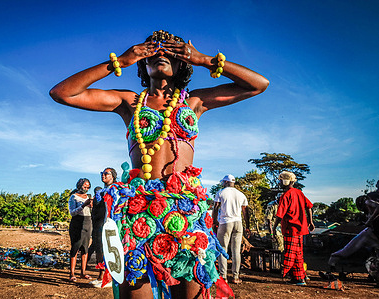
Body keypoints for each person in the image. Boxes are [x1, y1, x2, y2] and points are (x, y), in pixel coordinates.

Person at [50, 30, 268, 298]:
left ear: (181, 63)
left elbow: (258, 84)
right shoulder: (129, 101)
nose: (161, 55)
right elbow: (62, 93)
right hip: (138, 209)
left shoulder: (194, 101)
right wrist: (120, 60)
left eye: (170, 52)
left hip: (186, 209)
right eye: (154, 51)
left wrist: (205, 60)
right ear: (144, 62)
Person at [325, 180, 379, 274]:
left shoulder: (367, 201)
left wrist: (368, 222)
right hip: (374, 231)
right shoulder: (373, 200)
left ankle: (333, 261)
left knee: (351, 246)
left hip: (372, 232)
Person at [272, 171, 314, 286]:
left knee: (291, 254)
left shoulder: (285, 196)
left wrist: (274, 227)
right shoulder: (299, 193)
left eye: (280, 180)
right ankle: (298, 277)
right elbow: (309, 207)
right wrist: (310, 221)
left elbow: (280, 215)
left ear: (285, 181)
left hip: (291, 229)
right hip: (300, 230)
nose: (279, 183)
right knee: (298, 254)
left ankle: (299, 278)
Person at [212, 174, 250, 284]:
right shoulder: (241, 194)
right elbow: (245, 212)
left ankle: (223, 276)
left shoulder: (221, 192)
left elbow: (215, 208)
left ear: (226, 182)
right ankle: (236, 277)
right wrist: (247, 226)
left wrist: (214, 222)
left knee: (222, 249)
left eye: (224, 182)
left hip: (225, 222)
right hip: (238, 223)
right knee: (236, 250)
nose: (223, 183)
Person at [89, 167, 117, 288]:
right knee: (99, 250)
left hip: (109, 224)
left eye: (106, 173)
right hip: (98, 224)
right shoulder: (103, 190)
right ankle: (100, 276)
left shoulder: (115, 189)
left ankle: (109, 278)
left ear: (113, 176)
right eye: (102, 173)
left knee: (108, 250)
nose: (103, 175)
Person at [68, 178, 93, 282]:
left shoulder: (89, 197)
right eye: (84, 186)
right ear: (79, 185)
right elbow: (72, 212)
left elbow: (92, 211)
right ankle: (72, 273)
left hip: (88, 223)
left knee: (85, 248)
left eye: (88, 187)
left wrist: (91, 206)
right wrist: (83, 205)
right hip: (77, 224)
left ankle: (83, 272)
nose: (86, 189)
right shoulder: (73, 197)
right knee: (75, 247)